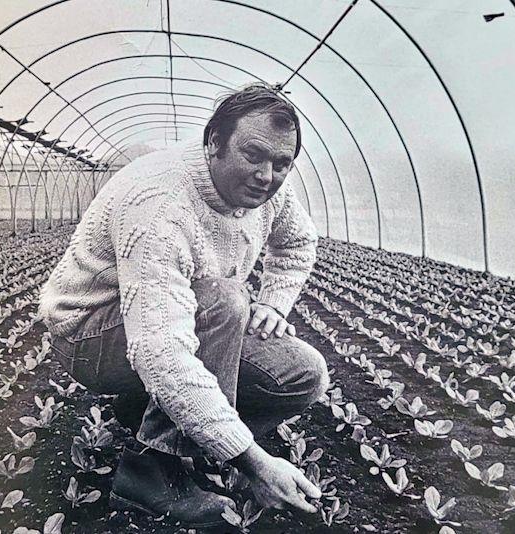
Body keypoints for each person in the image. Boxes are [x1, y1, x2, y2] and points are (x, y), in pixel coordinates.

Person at [38, 82, 329, 528]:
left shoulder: (270, 189)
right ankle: (151, 471)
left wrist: (274, 301)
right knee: (224, 302)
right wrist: (252, 462)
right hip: (90, 333)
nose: (267, 176)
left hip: (175, 319)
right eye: (253, 155)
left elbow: (297, 243)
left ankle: (156, 416)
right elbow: (160, 350)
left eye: (282, 164)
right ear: (214, 142)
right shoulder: (160, 203)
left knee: (303, 375)